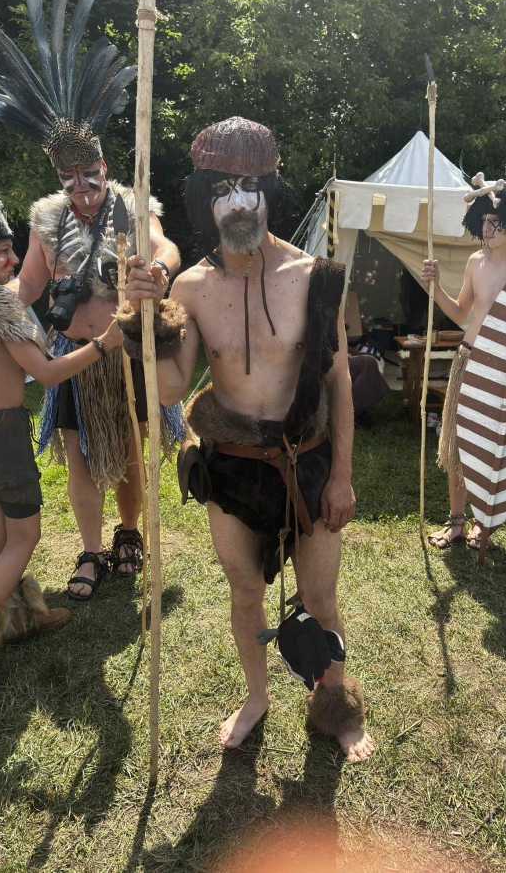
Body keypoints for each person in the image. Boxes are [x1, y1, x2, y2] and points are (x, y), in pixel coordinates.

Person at [119, 117, 374, 763]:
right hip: (231, 469)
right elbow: (170, 388)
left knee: (320, 597)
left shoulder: (314, 276)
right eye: (222, 190)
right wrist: (141, 321)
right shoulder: (190, 288)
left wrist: (341, 474)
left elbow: (339, 381)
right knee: (244, 592)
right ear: (203, 200)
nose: (237, 203)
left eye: (250, 187)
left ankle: (335, 704)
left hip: (307, 463)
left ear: (269, 193)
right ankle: (256, 696)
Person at [0, 0, 181, 600]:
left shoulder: (132, 201)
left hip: (124, 349)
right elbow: (27, 284)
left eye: (88, 175)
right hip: (74, 355)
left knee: (130, 451)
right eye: (69, 178)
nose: (81, 188)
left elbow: (163, 244)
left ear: (104, 166)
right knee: (79, 456)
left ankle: (129, 535)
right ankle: (89, 550)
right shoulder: (47, 218)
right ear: (59, 177)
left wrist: (160, 269)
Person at [0, 198, 123, 678]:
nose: (15, 260)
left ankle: (21, 617)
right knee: (26, 534)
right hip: (0, 433)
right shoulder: (1, 308)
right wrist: (104, 344)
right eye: (2, 252)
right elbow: (48, 373)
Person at [421, 182, 506, 551]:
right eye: (484, 221)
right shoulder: (475, 262)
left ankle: (484, 523)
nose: (487, 229)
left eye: (496, 222)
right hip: (469, 359)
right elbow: (461, 312)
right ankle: (456, 522)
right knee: (458, 444)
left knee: (494, 446)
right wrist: (435, 288)